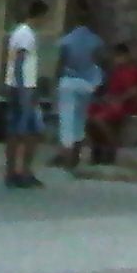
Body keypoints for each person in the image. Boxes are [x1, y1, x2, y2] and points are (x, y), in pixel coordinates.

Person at [2, 0, 49, 189]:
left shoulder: (20, 32)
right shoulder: (26, 34)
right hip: (23, 89)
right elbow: (20, 62)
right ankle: (24, 171)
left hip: (18, 87)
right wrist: (23, 91)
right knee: (32, 131)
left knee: (15, 130)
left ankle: (12, 171)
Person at [52, 11, 105, 170]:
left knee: (66, 121)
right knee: (80, 120)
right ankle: (76, 157)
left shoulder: (67, 40)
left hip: (68, 82)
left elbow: (60, 64)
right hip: (87, 84)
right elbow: (100, 62)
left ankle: (66, 159)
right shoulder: (96, 40)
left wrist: (55, 81)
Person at [86, 43, 137, 164]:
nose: (117, 59)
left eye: (120, 56)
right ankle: (97, 149)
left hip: (126, 105)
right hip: (112, 102)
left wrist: (118, 99)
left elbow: (134, 91)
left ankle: (112, 146)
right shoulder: (116, 72)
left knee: (99, 119)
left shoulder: (132, 71)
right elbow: (111, 91)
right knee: (89, 116)